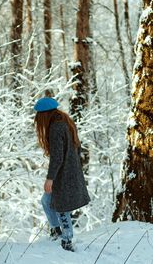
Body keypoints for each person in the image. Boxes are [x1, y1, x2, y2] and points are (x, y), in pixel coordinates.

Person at [34, 97, 90, 252]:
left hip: (64, 175)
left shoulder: (56, 127)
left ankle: (67, 240)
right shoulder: (66, 122)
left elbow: (57, 157)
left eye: (39, 117)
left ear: (44, 115)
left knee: (62, 207)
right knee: (47, 200)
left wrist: (50, 179)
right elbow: (77, 148)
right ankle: (56, 231)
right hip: (69, 172)